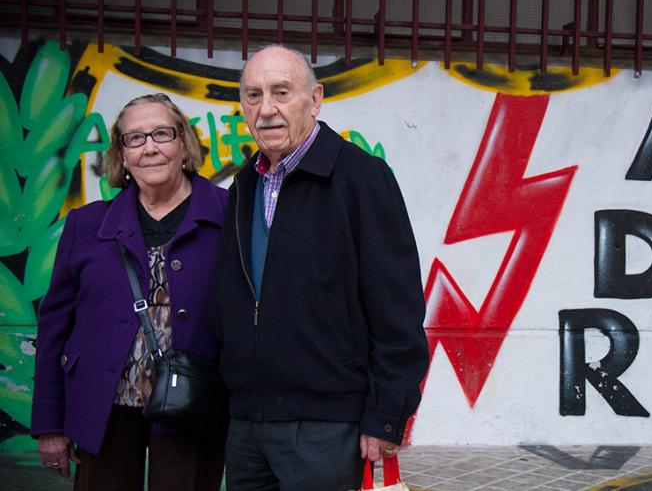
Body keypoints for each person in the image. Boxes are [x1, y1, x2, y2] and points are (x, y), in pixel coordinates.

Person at [208, 44, 429, 490]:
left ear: (315, 99)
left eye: (281, 92)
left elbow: (398, 311)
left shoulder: (362, 178)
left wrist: (385, 416)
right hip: (249, 424)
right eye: (253, 95)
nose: (266, 109)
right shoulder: (245, 183)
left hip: (326, 427)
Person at [30, 93, 228, 490]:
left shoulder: (229, 215)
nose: (149, 148)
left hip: (194, 401)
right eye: (134, 138)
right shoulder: (86, 225)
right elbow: (54, 328)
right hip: (103, 404)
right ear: (121, 154)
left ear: (183, 142)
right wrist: (49, 423)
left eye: (161, 133)